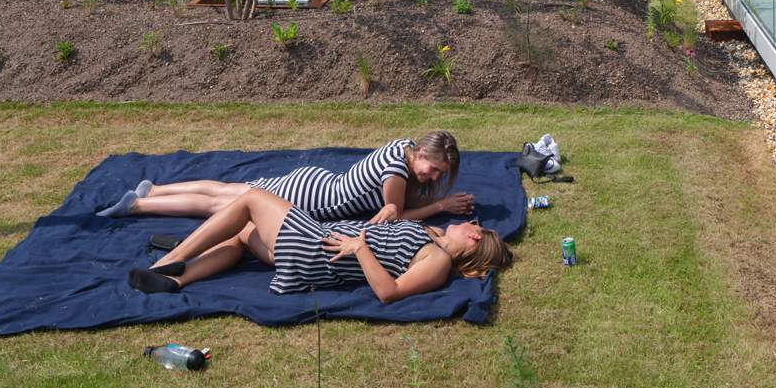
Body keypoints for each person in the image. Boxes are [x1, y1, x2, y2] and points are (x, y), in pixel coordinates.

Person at [124, 185, 513, 302]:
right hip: (317, 243)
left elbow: (389, 292)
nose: (461, 223)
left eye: (469, 225)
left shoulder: (437, 262)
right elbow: (406, 227)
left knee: (250, 199)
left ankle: (171, 259)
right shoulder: (435, 240)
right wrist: (438, 209)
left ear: (475, 236)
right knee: (244, 235)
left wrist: (360, 247)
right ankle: (178, 279)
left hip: (316, 248)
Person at [95, 131, 473, 224]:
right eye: (434, 168)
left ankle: (157, 187)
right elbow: (393, 215)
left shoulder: (403, 146)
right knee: (220, 206)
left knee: (232, 189)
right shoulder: (396, 173)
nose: (433, 176)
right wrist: (439, 205)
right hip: (311, 199)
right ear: (422, 154)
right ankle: (140, 203)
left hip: (315, 180)